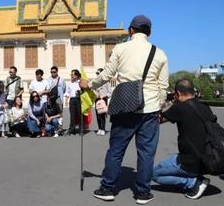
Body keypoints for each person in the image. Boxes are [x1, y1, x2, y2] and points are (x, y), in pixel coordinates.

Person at [80, 15, 169, 204]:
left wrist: (89, 84)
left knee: (116, 150)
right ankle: (143, 192)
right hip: (150, 108)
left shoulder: (120, 48)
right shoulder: (160, 53)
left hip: (125, 107)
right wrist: (158, 106)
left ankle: (108, 188)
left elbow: (107, 75)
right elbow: (163, 87)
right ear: (149, 32)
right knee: (146, 152)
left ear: (131, 30)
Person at [152, 79, 210, 200]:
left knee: (152, 174)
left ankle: (193, 183)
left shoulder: (180, 108)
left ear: (177, 93)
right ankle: (194, 178)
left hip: (188, 161)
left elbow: (158, 120)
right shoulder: (206, 108)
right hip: (208, 159)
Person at [94, 68, 112, 136]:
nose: (97, 75)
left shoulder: (106, 82)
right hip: (97, 100)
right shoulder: (96, 82)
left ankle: (103, 129)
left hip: (103, 100)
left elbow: (110, 92)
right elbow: (93, 90)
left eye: (98, 73)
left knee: (103, 115)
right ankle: (99, 128)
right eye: (97, 73)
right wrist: (95, 94)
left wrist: (104, 96)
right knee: (97, 115)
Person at [64, 69, 82, 135]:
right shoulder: (69, 83)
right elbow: (67, 92)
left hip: (79, 100)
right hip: (72, 100)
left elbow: (84, 91)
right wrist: (66, 100)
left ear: (76, 75)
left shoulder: (80, 82)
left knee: (80, 115)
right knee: (72, 115)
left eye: (72, 74)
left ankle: (81, 129)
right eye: (71, 74)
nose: (71, 76)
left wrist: (80, 92)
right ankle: (72, 129)